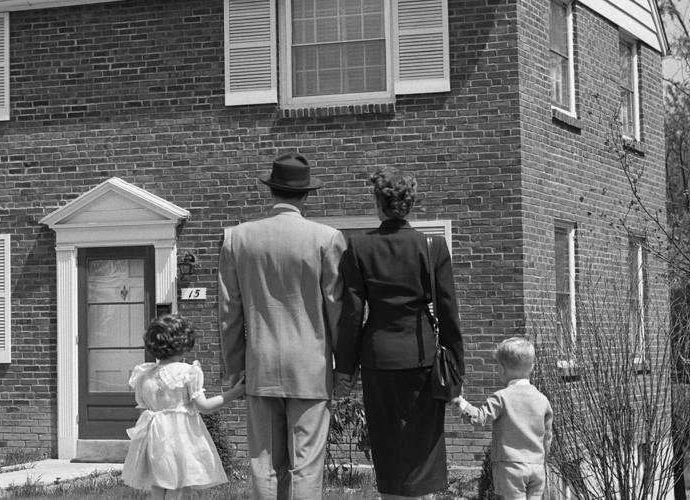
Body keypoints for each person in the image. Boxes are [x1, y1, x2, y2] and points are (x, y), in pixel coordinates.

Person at [218, 152, 354, 500]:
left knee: (265, 464)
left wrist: (234, 367)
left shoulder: (238, 238)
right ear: (307, 194)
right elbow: (338, 309)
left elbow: (229, 312)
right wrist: (344, 367)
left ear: (271, 190)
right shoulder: (327, 238)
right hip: (311, 367)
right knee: (306, 467)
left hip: (260, 364)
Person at [338, 167, 464, 499]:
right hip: (421, 357)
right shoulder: (433, 246)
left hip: (378, 358)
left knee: (387, 445)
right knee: (423, 447)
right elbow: (448, 312)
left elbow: (351, 315)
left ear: (377, 203)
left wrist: (345, 370)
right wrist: (456, 370)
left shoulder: (359, 247)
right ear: (410, 204)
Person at [121, 314, 246, 500]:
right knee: (179, 486)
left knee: (158, 483)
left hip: (153, 438)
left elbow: (144, 410)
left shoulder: (145, 375)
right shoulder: (188, 372)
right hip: (180, 437)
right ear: (184, 343)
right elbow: (204, 406)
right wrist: (235, 392)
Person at [452, 337, 553, 500]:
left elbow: (480, 418)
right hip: (537, 467)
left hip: (510, 467)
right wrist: (542, 458)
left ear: (502, 369)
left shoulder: (501, 398)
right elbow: (547, 436)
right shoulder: (542, 400)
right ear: (532, 367)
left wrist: (461, 403)